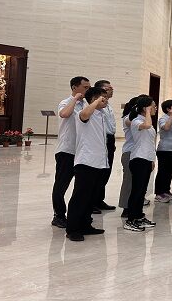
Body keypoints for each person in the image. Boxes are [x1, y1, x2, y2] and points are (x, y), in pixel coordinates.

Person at [65, 87, 109, 241]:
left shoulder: (101, 115)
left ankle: (85, 225)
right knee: (80, 197)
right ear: (94, 99)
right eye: (103, 97)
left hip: (99, 162)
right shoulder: (83, 113)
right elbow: (84, 115)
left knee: (90, 197)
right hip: (86, 162)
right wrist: (95, 102)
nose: (106, 100)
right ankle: (72, 229)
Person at [51, 76, 91, 228]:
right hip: (66, 150)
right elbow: (64, 114)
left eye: (89, 87)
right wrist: (75, 99)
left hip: (81, 151)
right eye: (85, 87)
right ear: (75, 88)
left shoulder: (86, 104)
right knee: (61, 185)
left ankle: (78, 215)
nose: (88, 90)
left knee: (81, 186)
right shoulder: (66, 102)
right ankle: (59, 215)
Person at [124, 96, 157, 232]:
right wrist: (147, 112)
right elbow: (147, 125)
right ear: (145, 108)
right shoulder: (136, 121)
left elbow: (149, 142)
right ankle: (130, 220)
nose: (155, 108)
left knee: (142, 191)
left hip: (146, 159)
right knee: (136, 191)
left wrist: (152, 160)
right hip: (138, 159)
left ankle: (139, 216)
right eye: (153, 106)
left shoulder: (145, 120)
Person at [93, 80, 116, 212]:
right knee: (99, 172)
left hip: (110, 139)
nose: (111, 90)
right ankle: (92, 202)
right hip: (102, 139)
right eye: (108, 88)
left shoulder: (108, 105)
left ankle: (99, 199)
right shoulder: (96, 106)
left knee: (107, 170)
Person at [118, 96, 141, 218]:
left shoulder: (141, 119)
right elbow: (130, 122)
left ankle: (134, 205)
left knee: (136, 182)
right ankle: (125, 207)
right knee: (128, 181)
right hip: (129, 153)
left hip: (139, 153)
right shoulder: (129, 118)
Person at [154, 99, 172, 203]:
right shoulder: (163, 118)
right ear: (168, 109)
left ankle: (166, 190)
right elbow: (166, 128)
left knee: (170, 171)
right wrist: (171, 116)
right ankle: (159, 193)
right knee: (163, 171)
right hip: (165, 149)